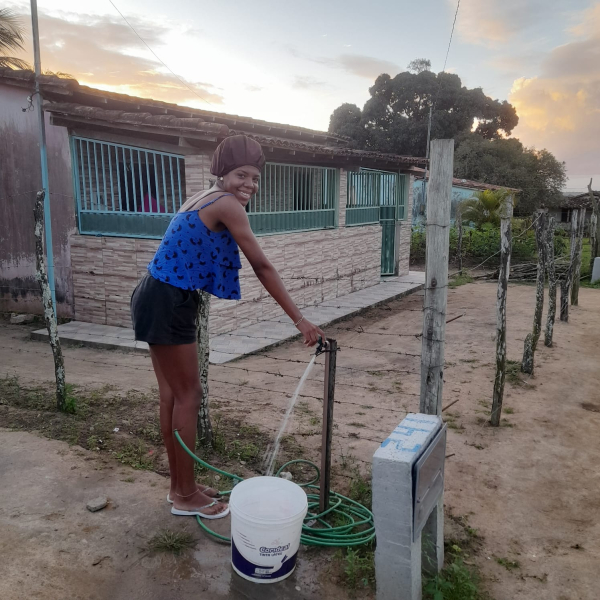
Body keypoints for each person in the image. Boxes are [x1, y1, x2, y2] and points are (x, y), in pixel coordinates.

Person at [130, 135, 325, 519]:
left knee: (172, 394)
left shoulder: (202, 198)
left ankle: (179, 488)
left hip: (155, 294)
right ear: (221, 172)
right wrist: (300, 320)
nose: (249, 184)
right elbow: (262, 265)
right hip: (168, 300)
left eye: (255, 177)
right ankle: (186, 496)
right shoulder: (227, 204)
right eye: (241, 174)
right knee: (189, 395)